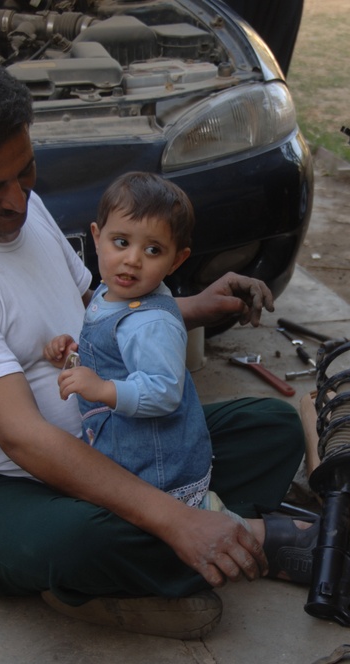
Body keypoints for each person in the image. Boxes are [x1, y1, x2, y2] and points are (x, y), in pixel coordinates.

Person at [0, 49, 350, 640]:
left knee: (270, 427)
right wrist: (176, 520)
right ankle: (230, 537)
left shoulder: (22, 209)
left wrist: (193, 305)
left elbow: (98, 316)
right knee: (78, 541)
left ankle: (172, 550)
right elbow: (24, 439)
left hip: (102, 437)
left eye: (26, 171)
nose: (17, 200)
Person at [43, 171, 228, 516]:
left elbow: (163, 390)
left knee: (148, 524)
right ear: (97, 238)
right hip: (120, 443)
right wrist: (76, 355)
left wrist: (101, 388)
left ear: (176, 260)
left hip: (154, 467)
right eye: (121, 242)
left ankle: (204, 514)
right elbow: (113, 352)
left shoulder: (150, 324)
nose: (132, 259)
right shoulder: (107, 292)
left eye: (153, 249)